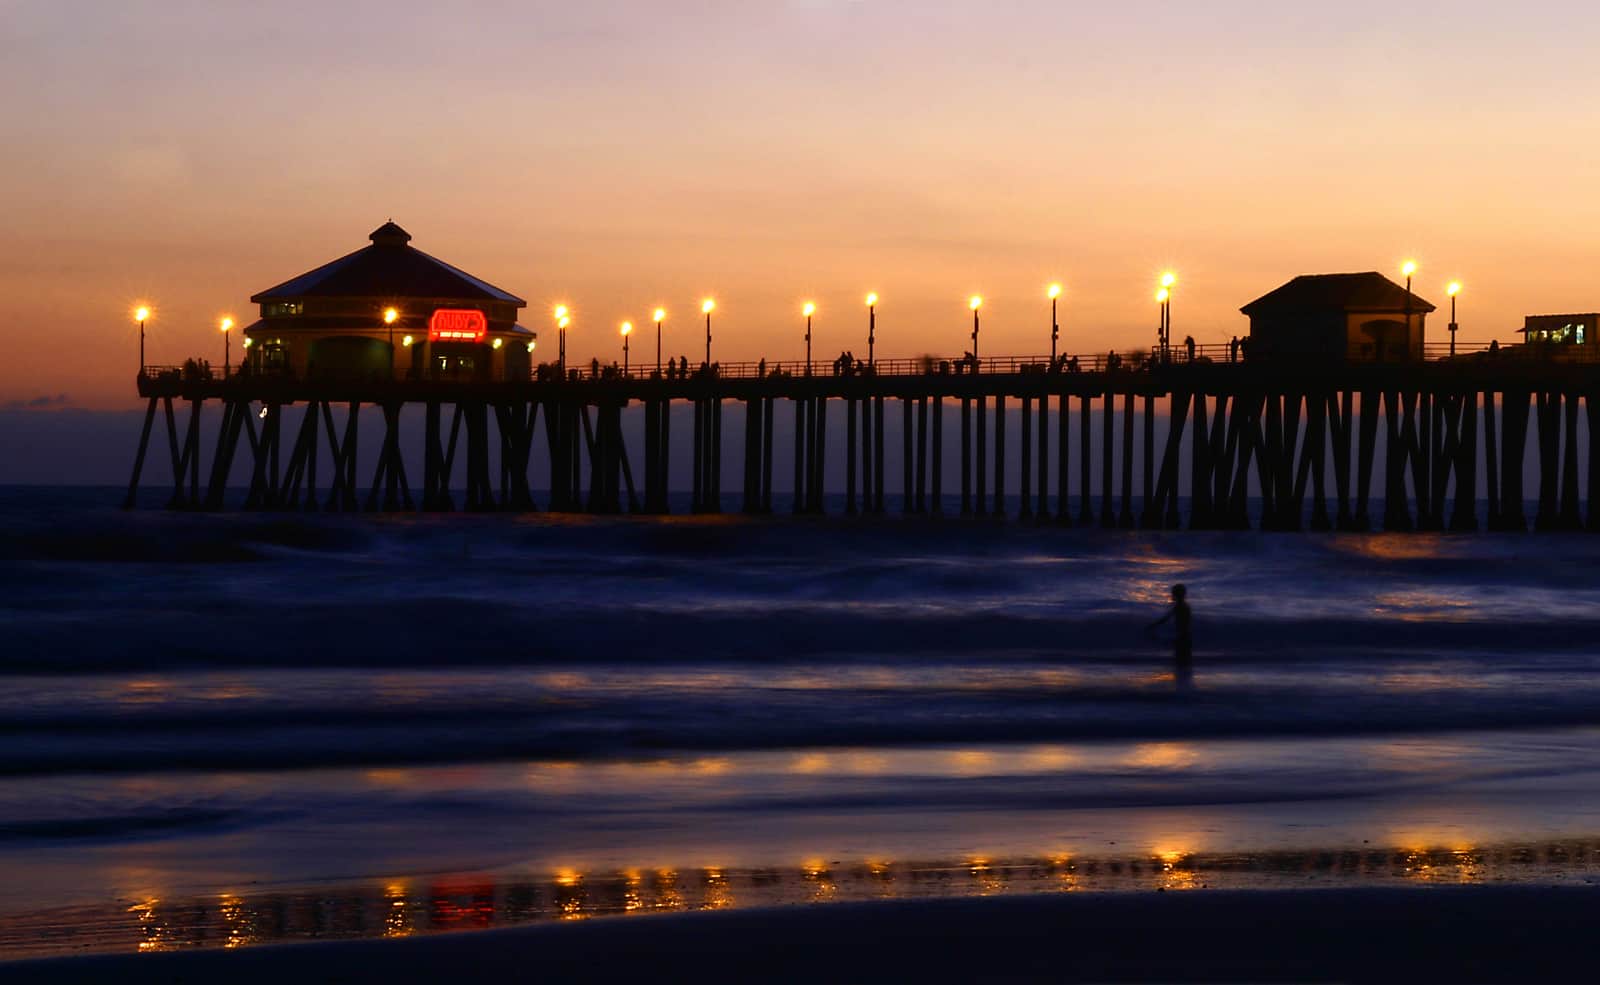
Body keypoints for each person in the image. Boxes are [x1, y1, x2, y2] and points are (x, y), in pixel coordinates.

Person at [1148, 583, 1193, 687]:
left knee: (1181, 664)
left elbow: (1166, 619)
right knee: (1184, 664)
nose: (1172, 595)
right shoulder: (1183, 606)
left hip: (1183, 638)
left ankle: (1183, 688)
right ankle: (1185, 688)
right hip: (1185, 637)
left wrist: (1152, 626)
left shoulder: (1180, 607)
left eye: (1173, 593)